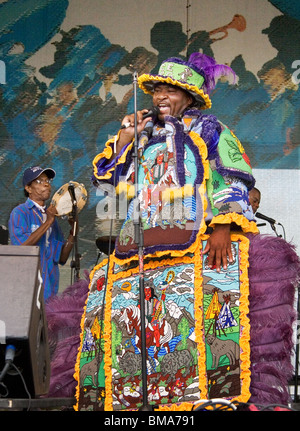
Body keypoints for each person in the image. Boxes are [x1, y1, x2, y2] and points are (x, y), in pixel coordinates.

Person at [73, 53, 299, 411]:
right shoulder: (144, 133)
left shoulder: (210, 130)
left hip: (195, 243)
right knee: (124, 320)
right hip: (141, 245)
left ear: (189, 96)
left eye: (170, 91)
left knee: (216, 309)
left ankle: (211, 400)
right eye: (157, 90)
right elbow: (107, 179)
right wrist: (125, 137)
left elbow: (234, 178)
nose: (161, 97)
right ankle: (134, 403)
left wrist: (224, 224)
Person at [8, 166, 76, 299]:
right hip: (27, 292)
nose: (46, 184)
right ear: (28, 188)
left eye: (48, 181)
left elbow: (62, 258)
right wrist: (48, 221)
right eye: (39, 181)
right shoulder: (20, 212)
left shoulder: (51, 217)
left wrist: (73, 231)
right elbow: (22, 247)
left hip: (50, 291)